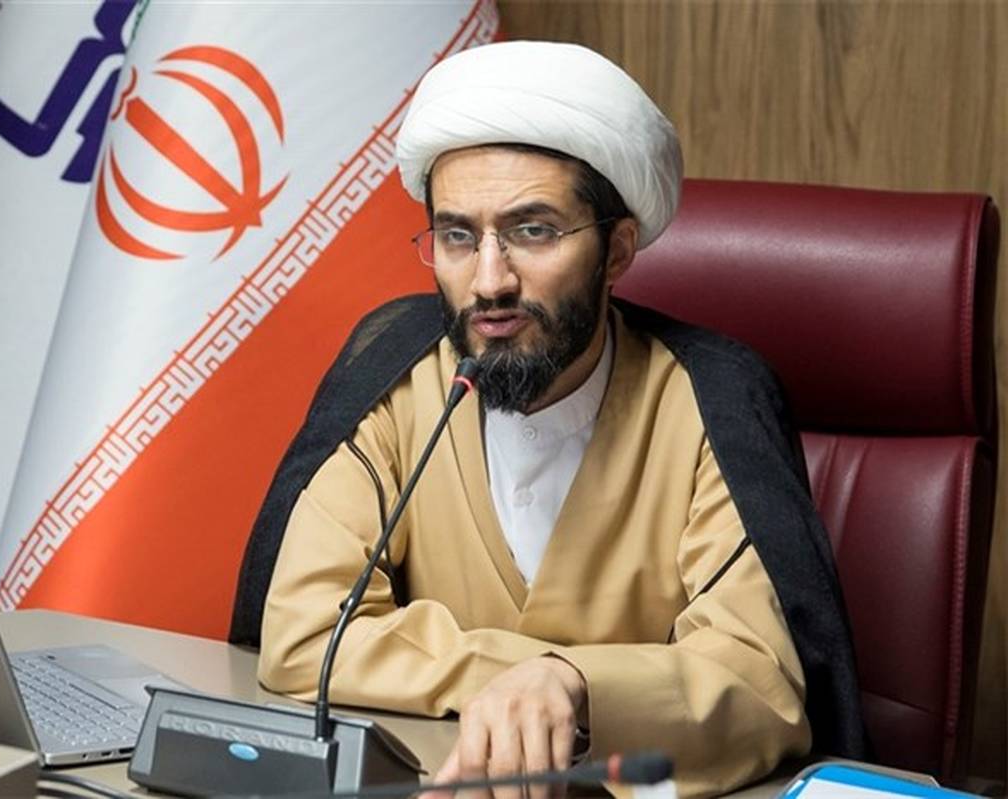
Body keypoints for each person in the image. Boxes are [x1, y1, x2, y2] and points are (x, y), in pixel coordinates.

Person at [232, 41, 865, 797]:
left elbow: (760, 683)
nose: (489, 281)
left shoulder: (706, 403)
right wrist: (542, 681)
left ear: (616, 250)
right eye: (458, 236)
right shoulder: (397, 378)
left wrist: (573, 685)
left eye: (532, 231)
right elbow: (307, 634)